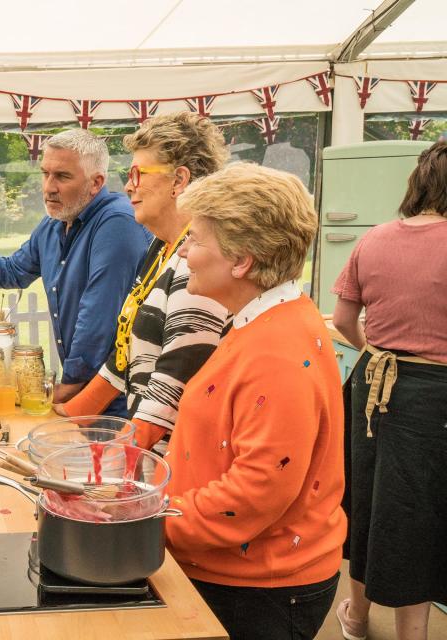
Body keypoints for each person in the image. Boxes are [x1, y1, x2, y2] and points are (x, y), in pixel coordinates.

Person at [165, 163, 346, 640]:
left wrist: (143, 519)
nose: (183, 252)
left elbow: (255, 492)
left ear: (241, 260)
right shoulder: (263, 320)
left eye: (196, 240)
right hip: (239, 573)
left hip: (259, 588)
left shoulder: (277, 352)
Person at [0, 129, 150, 414]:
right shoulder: (54, 223)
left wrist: (66, 388)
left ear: (96, 182)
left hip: (118, 399)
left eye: (62, 176)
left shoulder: (117, 223)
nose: (48, 187)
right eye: (45, 173)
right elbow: (12, 271)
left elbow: (98, 314)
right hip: (80, 387)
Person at [54, 112, 229, 449]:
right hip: (146, 450)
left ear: (179, 180)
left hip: (172, 461)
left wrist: (118, 462)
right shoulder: (160, 248)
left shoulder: (196, 263)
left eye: (137, 173)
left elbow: (171, 388)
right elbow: (124, 357)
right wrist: (68, 417)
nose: (128, 186)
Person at [331, 141, 447, 640]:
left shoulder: (373, 238)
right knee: (417, 511)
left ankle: (356, 618)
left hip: (370, 385)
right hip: (434, 393)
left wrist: (378, 353)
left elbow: (342, 320)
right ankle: (413, 634)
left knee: (367, 500)